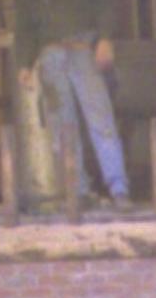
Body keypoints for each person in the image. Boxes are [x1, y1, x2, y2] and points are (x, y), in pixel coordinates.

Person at [35, 33, 131, 204]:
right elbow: (25, 19)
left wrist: (104, 39)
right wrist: (25, 63)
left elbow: (103, 8)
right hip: (50, 54)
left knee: (101, 121)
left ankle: (119, 190)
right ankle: (78, 192)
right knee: (63, 129)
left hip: (82, 49)